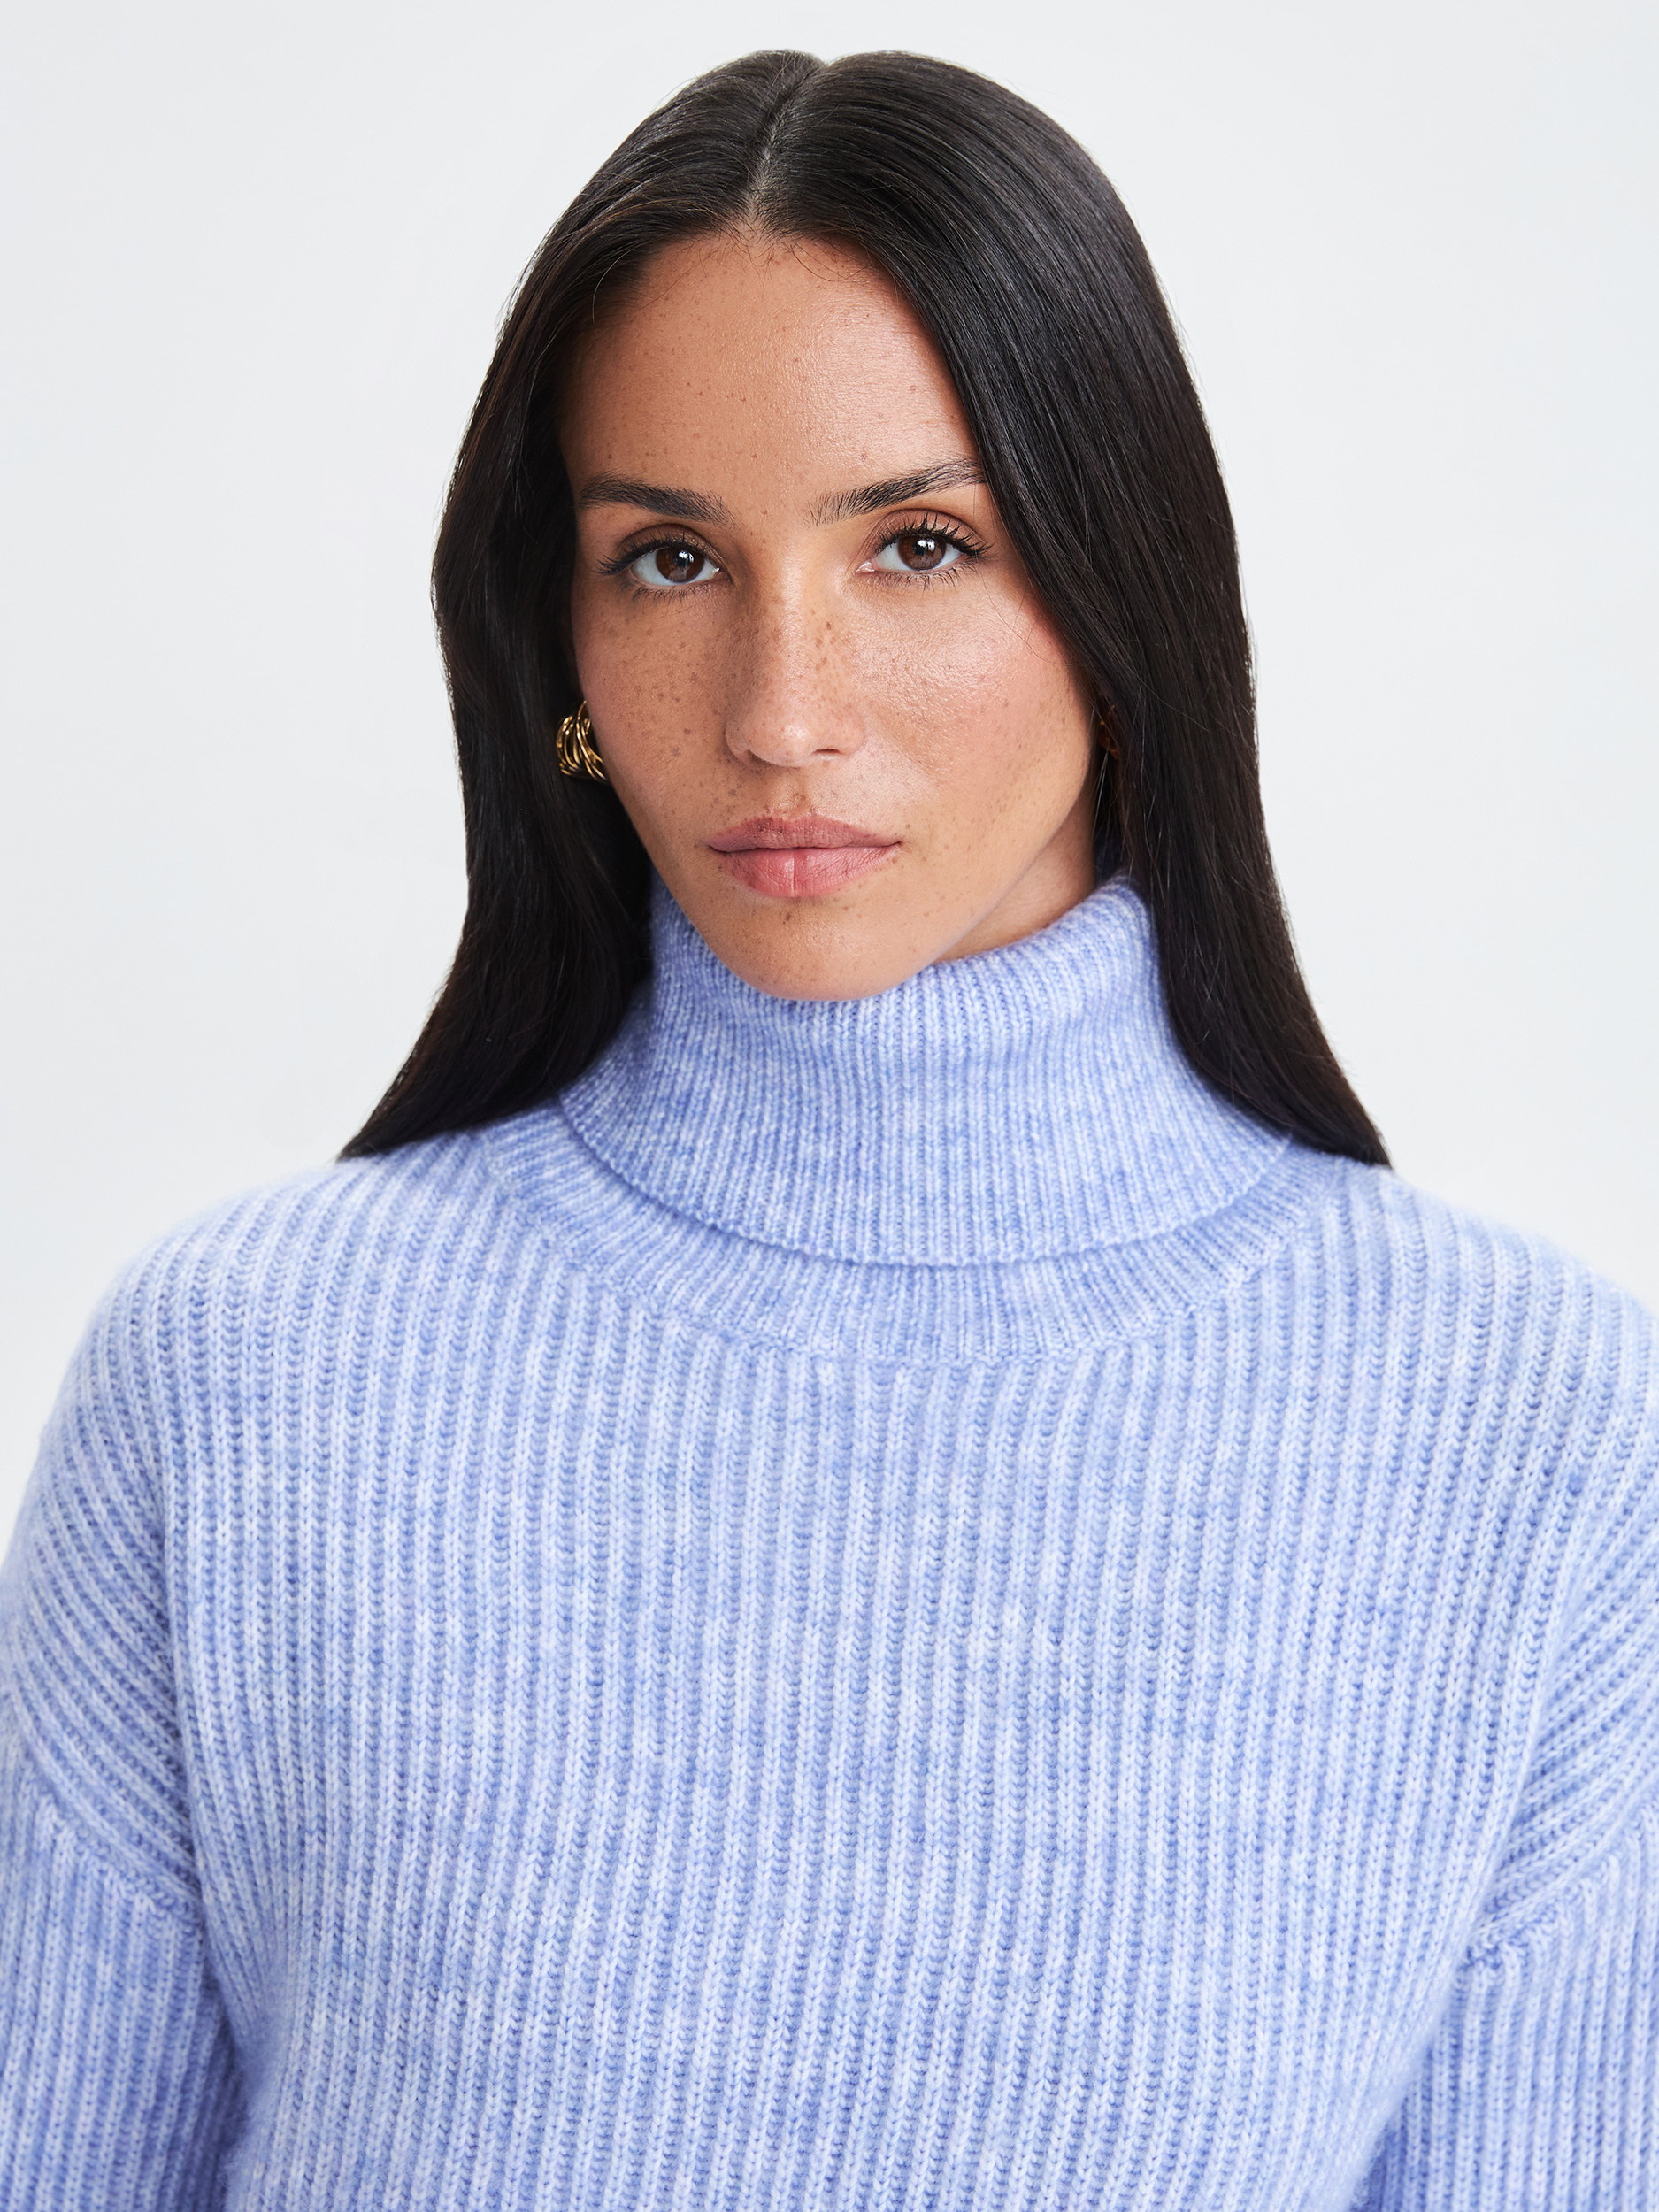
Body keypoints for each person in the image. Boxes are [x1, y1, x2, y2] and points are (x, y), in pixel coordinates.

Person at [1, 47, 1654, 2212]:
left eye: (918, 544)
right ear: (557, 647)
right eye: (670, 556)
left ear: (1120, 595)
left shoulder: (1527, 1441)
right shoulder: (239, 1385)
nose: (780, 711)